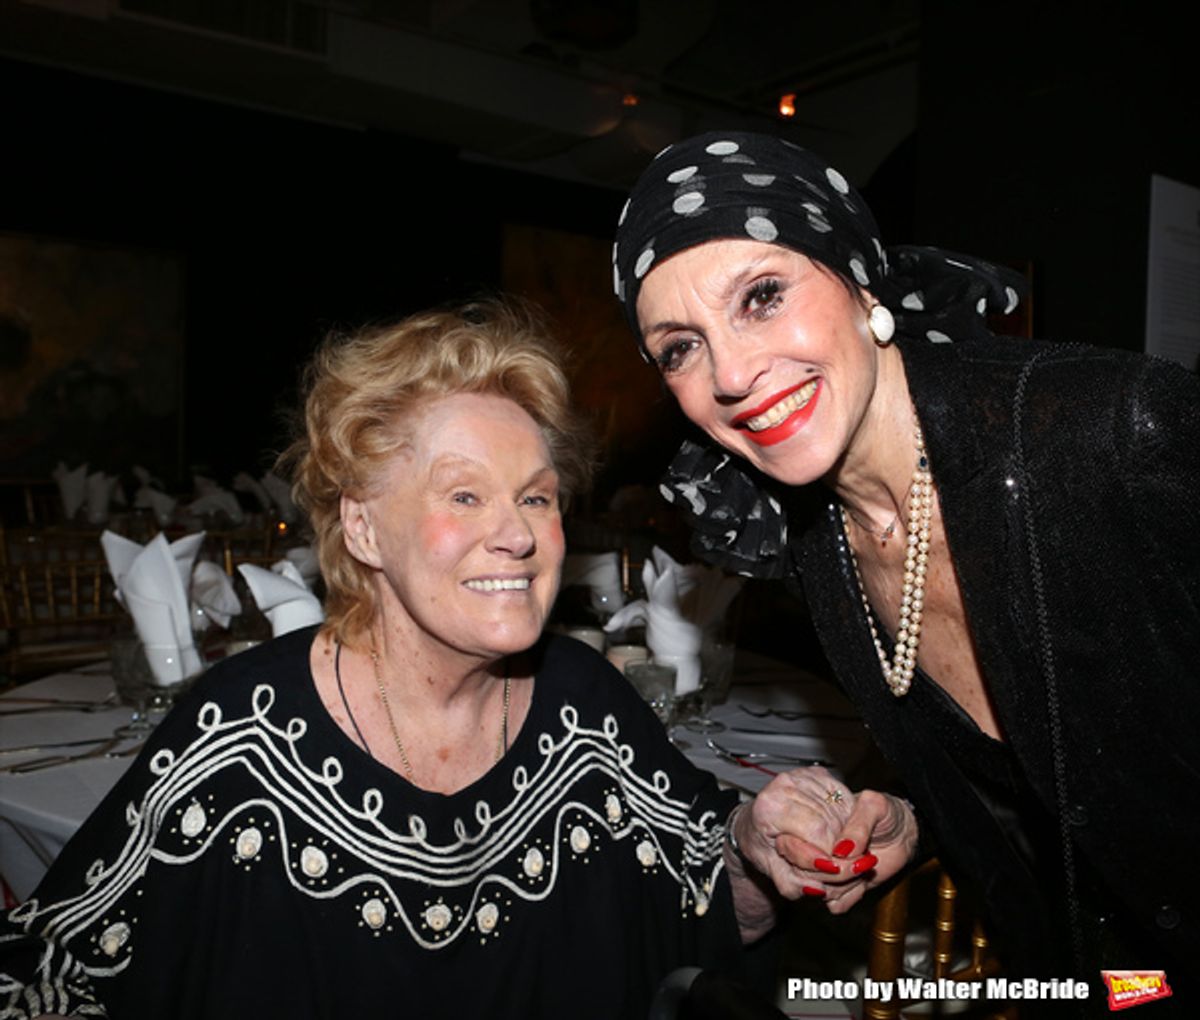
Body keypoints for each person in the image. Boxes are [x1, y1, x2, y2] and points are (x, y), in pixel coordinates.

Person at [0, 298, 901, 1019]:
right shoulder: (242, 737)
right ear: (362, 529)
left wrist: (759, 849)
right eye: (464, 496)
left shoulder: (587, 707)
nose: (517, 535)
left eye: (536, 498)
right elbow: (53, 972)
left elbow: (702, 906)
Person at [612, 130, 1199, 1010]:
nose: (731, 373)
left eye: (762, 296)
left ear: (860, 281)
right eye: (680, 348)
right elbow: (1059, 780)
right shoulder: (820, 539)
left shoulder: (1115, 435)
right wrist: (922, 817)